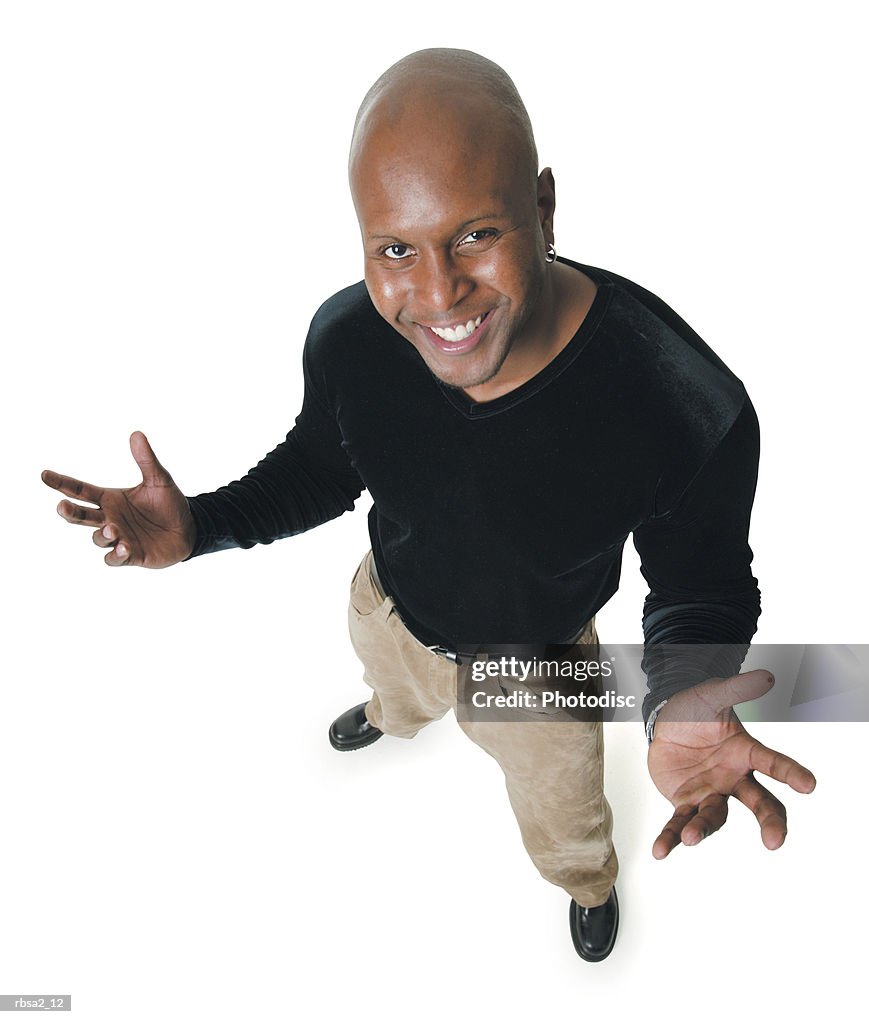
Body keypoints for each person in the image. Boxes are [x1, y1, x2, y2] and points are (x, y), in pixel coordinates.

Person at [41, 48, 816, 963]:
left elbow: (702, 580)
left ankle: (588, 885)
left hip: (538, 667)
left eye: (476, 234)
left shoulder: (683, 399)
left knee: (564, 818)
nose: (438, 294)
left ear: (543, 207)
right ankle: (392, 714)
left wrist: (679, 694)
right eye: (396, 250)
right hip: (394, 606)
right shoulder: (348, 335)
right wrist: (203, 526)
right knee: (396, 690)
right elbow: (325, 468)